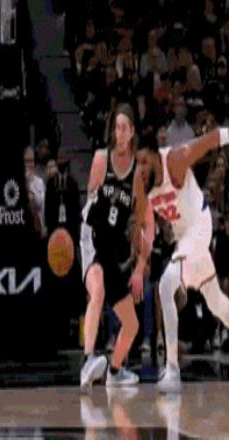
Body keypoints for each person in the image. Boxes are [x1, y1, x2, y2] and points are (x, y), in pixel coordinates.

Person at [133, 112, 229, 392]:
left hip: (201, 225)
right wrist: (142, 258)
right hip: (184, 237)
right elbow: (146, 225)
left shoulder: (175, 160)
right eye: (138, 162)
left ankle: (172, 370)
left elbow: (210, 139)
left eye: (145, 161)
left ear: (157, 156)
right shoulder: (141, 183)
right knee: (214, 301)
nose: (141, 168)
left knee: (166, 285)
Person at [80, 103, 154, 389]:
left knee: (132, 324)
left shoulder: (137, 176)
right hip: (92, 237)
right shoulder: (101, 159)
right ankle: (88, 360)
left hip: (112, 250)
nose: (120, 133)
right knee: (97, 287)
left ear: (132, 132)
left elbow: (145, 225)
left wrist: (139, 266)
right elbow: (90, 205)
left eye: (125, 128)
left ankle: (115, 370)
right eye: (117, 128)